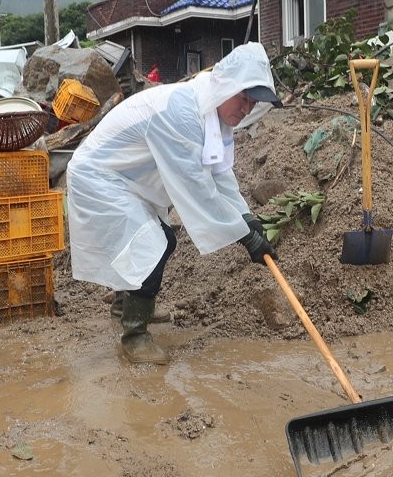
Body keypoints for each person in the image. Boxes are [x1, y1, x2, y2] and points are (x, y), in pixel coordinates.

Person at [66, 42, 282, 365]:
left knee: (161, 241)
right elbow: (198, 190)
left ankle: (125, 305)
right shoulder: (182, 114)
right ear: (226, 87)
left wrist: (245, 216)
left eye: (253, 103)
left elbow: (221, 176)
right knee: (152, 246)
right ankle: (134, 336)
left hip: (127, 181)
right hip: (100, 177)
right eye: (243, 98)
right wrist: (245, 234)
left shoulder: (212, 116)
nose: (246, 109)